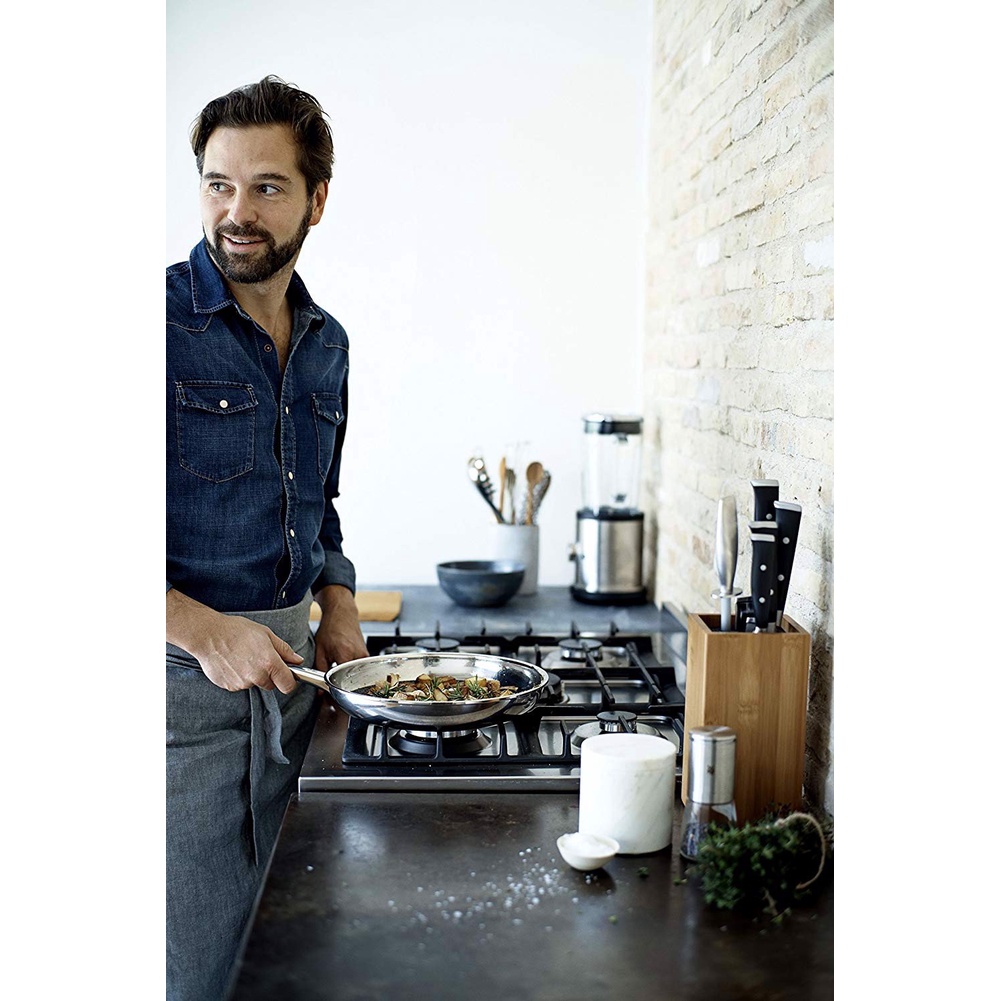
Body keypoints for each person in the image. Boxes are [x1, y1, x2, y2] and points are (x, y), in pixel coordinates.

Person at [166, 75, 369, 1001]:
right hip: (179, 710)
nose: (236, 211)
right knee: (204, 976)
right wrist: (206, 631)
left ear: (316, 200)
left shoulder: (327, 342)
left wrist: (338, 602)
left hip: (294, 695)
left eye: (266, 187)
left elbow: (318, 502)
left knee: (295, 964)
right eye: (218, 184)